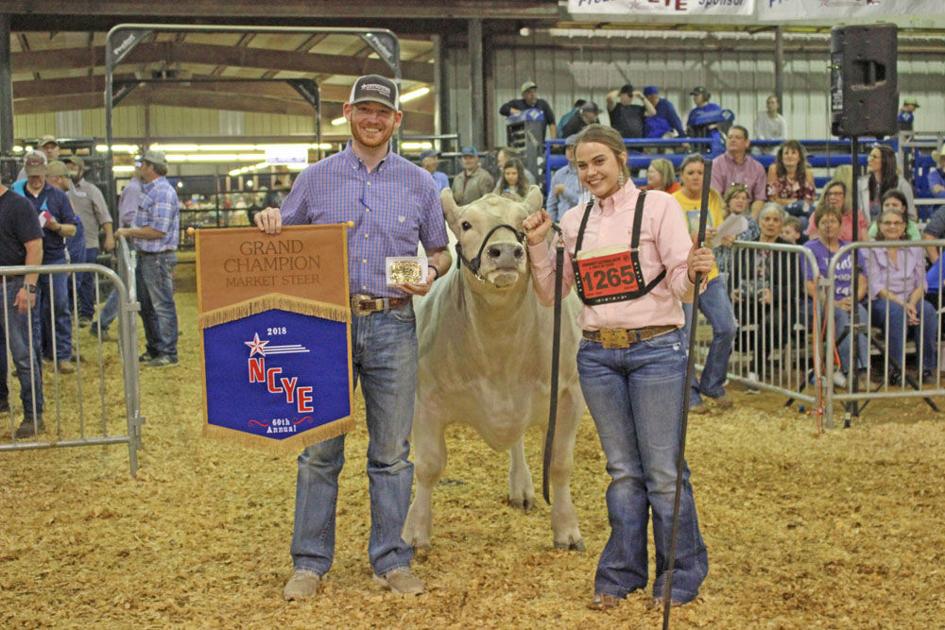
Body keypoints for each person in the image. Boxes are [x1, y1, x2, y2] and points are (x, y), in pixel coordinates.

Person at [253, 74, 451, 601]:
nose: (373, 119)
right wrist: (270, 219)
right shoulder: (315, 178)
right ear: (347, 113)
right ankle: (310, 563)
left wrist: (429, 273)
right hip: (325, 326)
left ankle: (391, 559)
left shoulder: (419, 182)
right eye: (364, 109)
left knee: (391, 453)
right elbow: (281, 237)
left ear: (396, 120)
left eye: (382, 112)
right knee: (320, 452)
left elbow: (440, 251)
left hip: (393, 320)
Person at [522, 123, 711, 610]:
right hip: (598, 354)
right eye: (582, 165)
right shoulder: (572, 220)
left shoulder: (658, 207)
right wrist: (539, 244)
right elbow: (551, 292)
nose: (590, 173)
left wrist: (695, 270)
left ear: (621, 159)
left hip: (656, 349)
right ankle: (623, 570)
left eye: (599, 161)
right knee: (623, 471)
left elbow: (681, 285)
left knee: (664, 471)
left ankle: (680, 571)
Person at [674, 154, 737, 413]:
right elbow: (670, 239)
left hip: (710, 274)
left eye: (700, 172)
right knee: (685, 337)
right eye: (691, 172)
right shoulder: (671, 202)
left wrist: (725, 236)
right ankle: (689, 393)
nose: (696, 177)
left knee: (727, 327)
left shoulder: (712, 199)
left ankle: (712, 382)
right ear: (681, 176)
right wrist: (691, 236)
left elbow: (717, 230)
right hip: (684, 274)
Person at [12, 152, 78, 371]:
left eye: (39, 174)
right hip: (28, 260)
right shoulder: (18, 196)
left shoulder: (58, 196)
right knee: (31, 311)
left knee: (60, 306)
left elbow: (73, 228)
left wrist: (56, 227)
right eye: (32, 174)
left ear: (45, 171)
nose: (36, 178)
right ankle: (35, 357)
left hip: (54, 259)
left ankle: (62, 354)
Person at [114, 150, 179, 368]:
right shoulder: (151, 190)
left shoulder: (162, 192)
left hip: (158, 256)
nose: (140, 167)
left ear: (151, 167)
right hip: (148, 255)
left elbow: (159, 230)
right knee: (149, 305)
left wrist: (129, 232)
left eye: (143, 164)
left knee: (161, 305)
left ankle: (168, 352)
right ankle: (156, 348)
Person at [867, 208, 937, 384]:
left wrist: (911, 303)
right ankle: (895, 369)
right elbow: (876, 286)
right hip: (882, 301)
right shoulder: (870, 249)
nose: (892, 226)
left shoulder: (915, 249)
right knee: (896, 312)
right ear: (879, 226)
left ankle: (927, 368)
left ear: (904, 226)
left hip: (910, 298)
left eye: (897, 223)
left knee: (927, 311)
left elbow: (921, 283)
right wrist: (903, 304)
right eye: (887, 223)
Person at [803, 204, 869, 387]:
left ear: (840, 225)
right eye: (824, 222)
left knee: (860, 313)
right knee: (840, 316)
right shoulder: (809, 248)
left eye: (833, 221)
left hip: (848, 301)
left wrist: (853, 299)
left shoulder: (851, 248)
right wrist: (833, 303)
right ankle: (848, 370)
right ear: (817, 225)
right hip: (820, 304)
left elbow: (863, 280)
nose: (829, 225)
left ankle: (862, 371)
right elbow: (810, 284)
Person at [0, 174, 45, 439]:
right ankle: (2, 401)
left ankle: (33, 413)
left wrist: (29, 285)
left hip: (13, 286)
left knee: (22, 353)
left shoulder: (17, 205)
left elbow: (35, 247)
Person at [730, 204, 794, 383]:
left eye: (776, 220)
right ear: (759, 222)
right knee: (727, 321)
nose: (771, 224)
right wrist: (733, 292)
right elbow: (732, 278)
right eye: (766, 219)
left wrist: (773, 293)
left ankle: (755, 369)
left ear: (781, 224)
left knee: (770, 322)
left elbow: (796, 287)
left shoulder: (790, 250)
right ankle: (719, 372)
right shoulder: (747, 247)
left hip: (778, 305)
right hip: (746, 303)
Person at [91, 169, 142, 339]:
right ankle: (102, 322)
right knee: (126, 286)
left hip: (136, 241)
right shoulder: (135, 189)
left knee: (131, 286)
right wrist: (143, 228)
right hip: (134, 242)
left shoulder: (137, 188)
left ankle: (160, 327)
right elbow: (128, 216)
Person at [63, 156, 114, 323]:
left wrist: (109, 236)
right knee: (67, 279)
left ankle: (86, 313)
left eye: (74, 167)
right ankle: (68, 312)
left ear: (81, 169)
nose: (71, 170)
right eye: (68, 167)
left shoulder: (91, 190)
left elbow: (103, 214)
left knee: (85, 279)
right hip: (65, 243)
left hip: (88, 241)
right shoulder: (61, 189)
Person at [711, 125, 767, 219]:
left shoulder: (757, 168)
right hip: (723, 212)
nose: (732, 140)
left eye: (737, 137)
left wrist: (751, 220)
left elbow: (759, 199)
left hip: (748, 213)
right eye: (730, 137)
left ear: (747, 143)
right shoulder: (715, 165)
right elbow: (716, 196)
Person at [857, 144, 915, 222]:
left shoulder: (902, 185)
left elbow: (910, 216)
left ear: (886, 160)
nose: (869, 159)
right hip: (868, 232)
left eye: (874, 157)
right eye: (870, 156)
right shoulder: (861, 184)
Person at [714, 183, 760, 279]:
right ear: (728, 201)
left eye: (744, 198)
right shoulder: (718, 219)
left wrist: (735, 238)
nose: (740, 201)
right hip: (715, 268)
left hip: (738, 272)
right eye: (736, 197)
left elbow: (752, 235)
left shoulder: (751, 222)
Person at [766, 140, 815, 225]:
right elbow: (772, 198)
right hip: (780, 210)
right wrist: (796, 203)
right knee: (801, 206)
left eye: (793, 153)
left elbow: (809, 200)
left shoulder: (808, 173)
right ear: (781, 157)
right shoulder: (773, 170)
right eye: (786, 153)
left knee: (803, 221)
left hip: (802, 213)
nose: (790, 156)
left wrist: (793, 203)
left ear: (799, 157)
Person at [547, 135, 584, 221]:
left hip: (580, 223)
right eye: (568, 148)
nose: (571, 151)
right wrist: (551, 225)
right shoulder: (559, 174)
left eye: (574, 148)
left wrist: (565, 190)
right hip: (561, 223)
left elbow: (584, 203)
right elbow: (551, 204)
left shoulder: (586, 173)